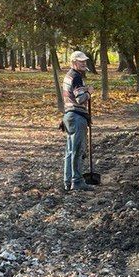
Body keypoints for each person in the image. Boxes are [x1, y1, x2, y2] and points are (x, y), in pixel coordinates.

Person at [61, 50, 93, 191]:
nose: (84, 63)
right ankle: (77, 181)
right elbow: (80, 99)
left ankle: (68, 181)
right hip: (77, 116)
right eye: (81, 61)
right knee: (77, 150)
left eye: (84, 60)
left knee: (69, 151)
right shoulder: (76, 77)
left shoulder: (68, 76)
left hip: (69, 116)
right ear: (74, 62)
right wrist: (89, 92)